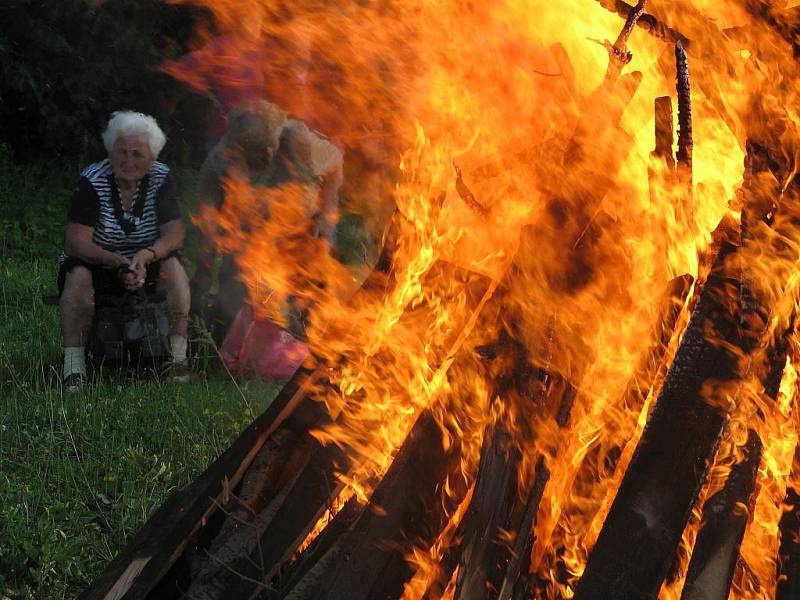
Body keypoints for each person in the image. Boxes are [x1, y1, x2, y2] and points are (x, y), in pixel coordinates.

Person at [59, 111, 191, 390]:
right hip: (99, 260)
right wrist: (117, 261)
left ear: (151, 158)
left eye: (137, 154)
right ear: (110, 150)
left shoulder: (161, 177)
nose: (127, 161)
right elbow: (76, 241)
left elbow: (175, 233)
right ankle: (74, 367)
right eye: (121, 152)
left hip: (147, 258)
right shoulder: (92, 180)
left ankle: (178, 358)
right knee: (78, 276)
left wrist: (147, 255)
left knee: (175, 271)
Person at [190, 100, 343, 341]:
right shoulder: (220, 162)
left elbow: (334, 164)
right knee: (234, 296)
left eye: (272, 145)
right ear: (237, 147)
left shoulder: (297, 141)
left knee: (311, 286)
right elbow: (207, 225)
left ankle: (309, 341)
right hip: (247, 232)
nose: (269, 154)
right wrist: (202, 275)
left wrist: (325, 215)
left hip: (302, 225)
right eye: (258, 148)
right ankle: (234, 340)